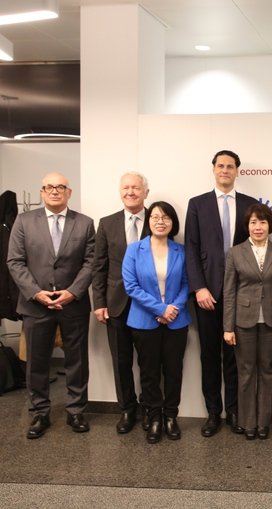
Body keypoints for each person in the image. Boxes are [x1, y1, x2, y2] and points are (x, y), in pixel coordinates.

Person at [7, 172, 95, 439]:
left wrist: (73, 292)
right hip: (35, 305)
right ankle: (39, 412)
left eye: (60, 187)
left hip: (73, 304)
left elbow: (91, 262)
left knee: (77, 360)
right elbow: (15, 261)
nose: (55, 191)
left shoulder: (85, 223)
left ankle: (76, 410)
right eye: (49, 187)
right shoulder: (23, 221)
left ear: (69, 192)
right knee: (36, 361)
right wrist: (36, 293)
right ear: (42, 192)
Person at [185, 149, 257, 437]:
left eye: (230, 166)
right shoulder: (197, 204)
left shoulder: (250, 204)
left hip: (241, 293)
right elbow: (191, 248)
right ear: (213, 169)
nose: (225, 170)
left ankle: (235, 411)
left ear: (237, 171)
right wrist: (199, 287)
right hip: (208, 295)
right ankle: (213, 413)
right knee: (210, 356)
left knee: (235, 357)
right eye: (220, 165)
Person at [122, 201, 191, 444]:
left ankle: (170, 416)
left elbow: (187, 284)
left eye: (166, 217)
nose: (160, 221)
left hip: (176, 321)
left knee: (174, 371)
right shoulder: (134, 250)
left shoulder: (181, 251)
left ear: (173, 222)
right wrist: (160, 309)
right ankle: (153, 418)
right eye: (155, 217)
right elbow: (131, 286)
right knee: (149, 372)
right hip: (144, 321)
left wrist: (172, 310)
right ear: (148, 221)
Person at [223, 203, 272, 440]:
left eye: (262, 222)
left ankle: (263, 422)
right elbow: (229, 291)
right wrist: (228, 327)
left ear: (269, 225)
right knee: (246, 371)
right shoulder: (235, 252)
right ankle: (248, 422)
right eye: (253, 222)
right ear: (247, 226)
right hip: (243, 322)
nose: (258, 227)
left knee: (267, 371)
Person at [92, 172, 150, 434]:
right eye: (126, 188)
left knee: (149, 362)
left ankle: (149, 408)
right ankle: (127, 409)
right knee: (121, 361)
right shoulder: (107, 223)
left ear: (146, 192)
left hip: (149, 305)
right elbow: (99, 266)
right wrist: (99, 302)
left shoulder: (157, 218)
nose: (130, 192)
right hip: (116, 305)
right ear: (120, 192)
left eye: (136, 187)